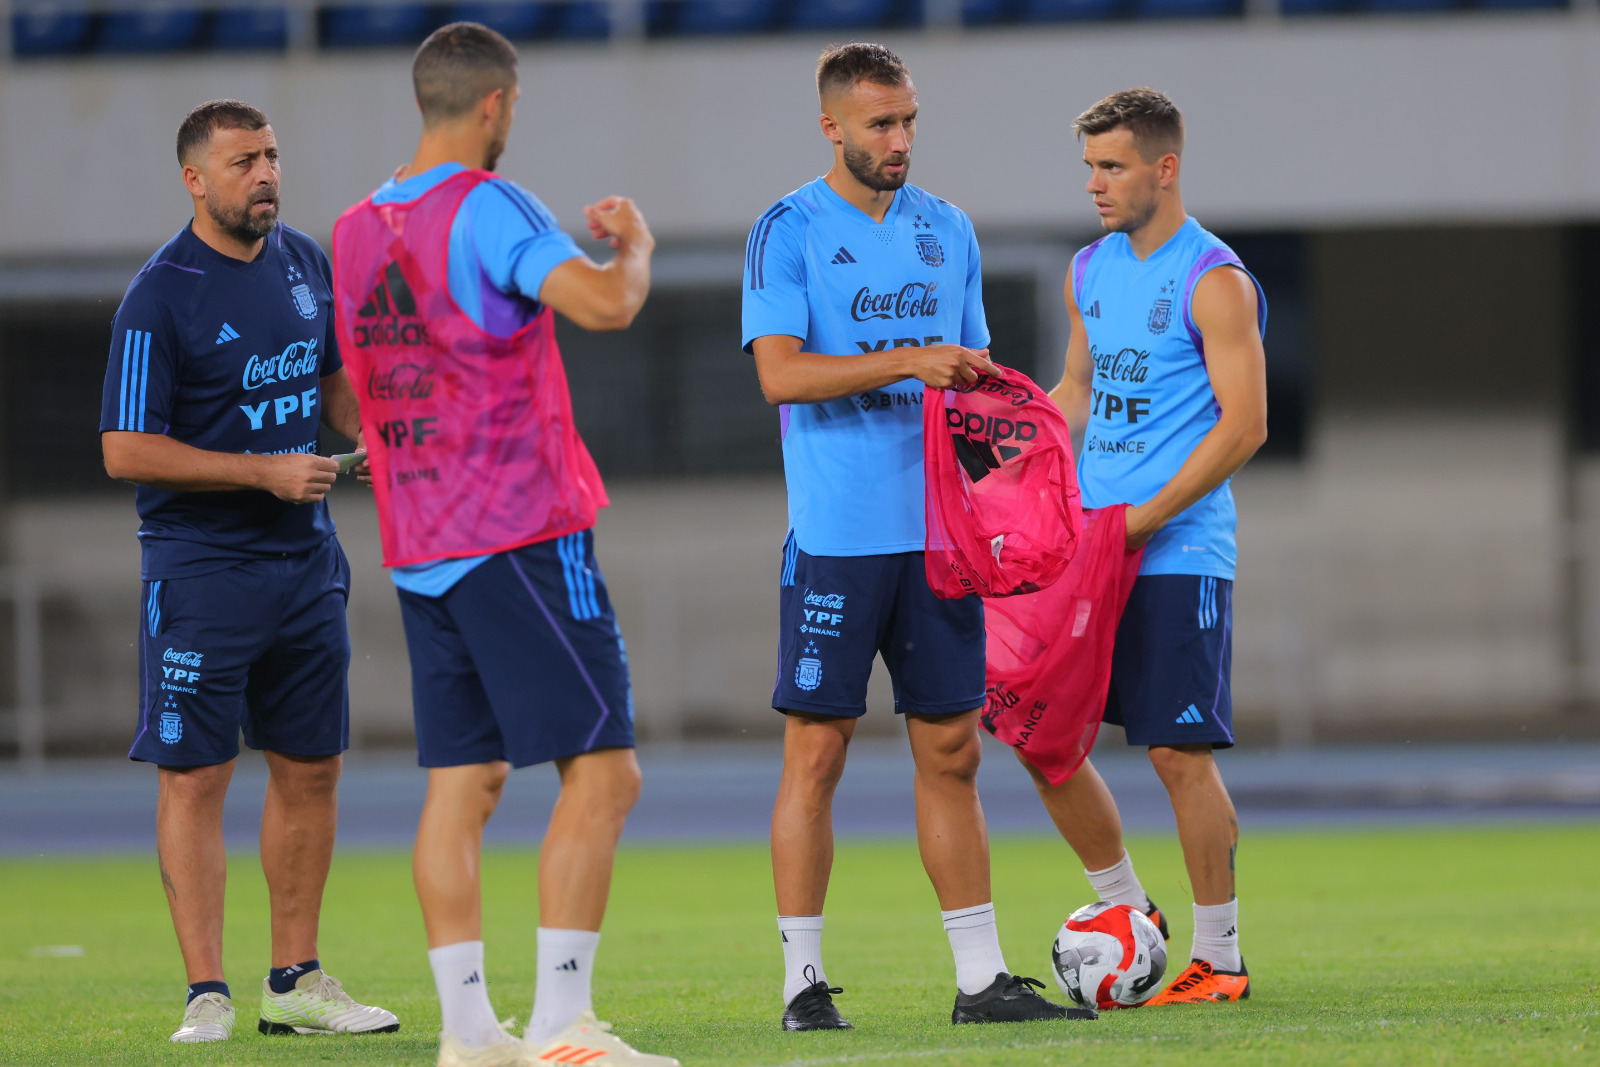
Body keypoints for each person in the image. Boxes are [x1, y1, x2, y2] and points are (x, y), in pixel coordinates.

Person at [330, 23, 675, 1067]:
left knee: (464, 781)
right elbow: (605, 305)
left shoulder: (353, 230)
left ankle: (471, 1034)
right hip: (518, 530)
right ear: (494, 104)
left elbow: (358, 388)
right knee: (605, 773)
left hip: (419, 540)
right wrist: (635, 246)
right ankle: (564, 1026)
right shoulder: (491, 206)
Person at [743, 42, 1087, 1030]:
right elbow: (779, 374)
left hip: (939, 539)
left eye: (908, 121)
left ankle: (981, 979)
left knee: (952, 750)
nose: (899, 140)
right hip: (838, 535)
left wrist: (1006, 437)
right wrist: (911, 359)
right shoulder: (787, 230)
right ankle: (802, 983)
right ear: (832, 127)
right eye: (880, 123)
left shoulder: (948, 229)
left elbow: (964, 374)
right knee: (818, 752)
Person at [98, 100, 398, 1044]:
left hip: (307, 564)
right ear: (195, 180)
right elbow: (123, 448)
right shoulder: (160, 295)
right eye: (242, 162)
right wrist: (259, 472)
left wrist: (380, 434)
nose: (265, 173)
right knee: (196, 776)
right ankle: (206, 992)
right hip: (201, 569)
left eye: (270, 155)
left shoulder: (304, 261)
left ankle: (295, 982)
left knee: (312, 767)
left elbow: (333, 381)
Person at [1028, 87, 1268, 1005]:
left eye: (1112, 166)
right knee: (1040, 732)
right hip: (1090, 549)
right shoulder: (1088, 268)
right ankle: (1131, 906)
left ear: (1164, 169)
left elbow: (1244, 425)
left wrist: (1148, 516)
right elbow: (1078, 390)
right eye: (1089, 166)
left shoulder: (1214, 279)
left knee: (1176, 754)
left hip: (1177, 550)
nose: (1094, 183)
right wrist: (1010, 452)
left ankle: (1221, 959)